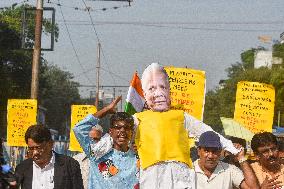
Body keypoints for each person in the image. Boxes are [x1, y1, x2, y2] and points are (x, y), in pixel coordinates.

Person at [133, 63, 240, 189]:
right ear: (144, 94)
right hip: (151, 174)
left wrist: (233, 148)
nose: (158, 93)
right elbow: (121, 141)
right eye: (151, 89)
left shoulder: (181, 116)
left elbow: (205, 131)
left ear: (169, 90)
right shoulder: (138, 118)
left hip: (180, 173)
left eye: (162, 87)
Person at [73, 103, 139, 189]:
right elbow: (79, 129)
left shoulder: (137, 159)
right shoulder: (98, 155)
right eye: (118, 127)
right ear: (110, 131)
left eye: (127, 128)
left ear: (131, 132)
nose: (122, 131)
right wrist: (105, 110)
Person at [15, 125, 83, 189]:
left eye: (39, 148)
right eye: (31, 149)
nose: (35, 153)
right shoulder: (22, 168)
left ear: (50, 144)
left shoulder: (69, 165)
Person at [194, 131, 259, 189]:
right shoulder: (189, 170)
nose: (210, 156)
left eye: (214, 151)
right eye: (206, 151)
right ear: (198, 151)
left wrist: (241, 158)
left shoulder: (230, 170)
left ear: (219, 152)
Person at [73, 124, 103, 189]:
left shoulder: (106, 160)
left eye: (96, 139)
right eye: (90, 139)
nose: (92, 142)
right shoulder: (75, 160)